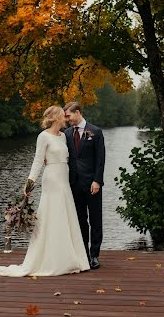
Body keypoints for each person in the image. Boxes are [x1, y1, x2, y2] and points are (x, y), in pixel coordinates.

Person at [0, 105, 90, 277]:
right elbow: (38, 161)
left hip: (64, 180)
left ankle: (70, 258)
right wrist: (29, 184)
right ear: (55, 118)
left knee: (65, 217)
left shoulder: (63, 137)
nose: (65, 118)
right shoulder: (43, 137)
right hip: (52, 179)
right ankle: (52, 260)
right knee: (51, 216)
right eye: (62, 115)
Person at [63, 102, 105, 270]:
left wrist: (97, 181)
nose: (66, 119)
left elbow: (100, 160)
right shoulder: (66, 134)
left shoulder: (96, 132)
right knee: (80, 220)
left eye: (68, 116)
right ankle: (84, 255)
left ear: (77, 112)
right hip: (73, 184)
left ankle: (94, 255)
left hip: (92, 184)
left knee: (95, 220)